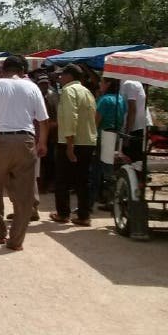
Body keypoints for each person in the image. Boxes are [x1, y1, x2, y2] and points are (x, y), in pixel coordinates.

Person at [0, 55, 48, 251]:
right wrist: (42, 143)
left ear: (3, 70)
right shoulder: (32, 87)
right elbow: (43, 120)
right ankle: (16, 241)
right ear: (23, 71)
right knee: (24, 194)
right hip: (26, 141)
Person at [50, 64, 98, 227]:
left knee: (62, 180)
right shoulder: (87, 92)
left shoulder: (68, 91)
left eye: (61, 75)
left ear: (69, 76)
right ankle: (84, 215)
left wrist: (70, 144)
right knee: (82, 181)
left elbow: (71, 117)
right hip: (87, 141)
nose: (60, 78)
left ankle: (63, 213)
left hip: (70, 142)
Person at [93, 77, 126, 206]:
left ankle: (101, 197)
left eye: (102, 82)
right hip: (116, 136)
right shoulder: (121, 99)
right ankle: (112, 197)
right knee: (111, 167)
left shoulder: (104, 100)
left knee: (99, 169)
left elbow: (96, 121)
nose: (99, 84)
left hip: (103, 136)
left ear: (108, 84)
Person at [35, 72, 59, 193]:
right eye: (41, 84)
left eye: (45, 84)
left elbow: (57, 116)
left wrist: (51, 126)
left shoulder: (53, 96)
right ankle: (41, 185)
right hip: (39, 132)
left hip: (51, 133)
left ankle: (49, 184)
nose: (44, 86)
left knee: (49, 160)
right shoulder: (36, 96)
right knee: (40, 161)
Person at [121, 79, 148, 164]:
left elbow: (132, 110)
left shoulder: (130, 84)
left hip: (133, 128)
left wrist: (127, 135)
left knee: (132, 161)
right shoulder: (136, 82)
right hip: (136, 127)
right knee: (135, 161)